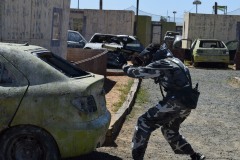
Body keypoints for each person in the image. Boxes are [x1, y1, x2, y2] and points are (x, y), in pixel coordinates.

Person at [122, 43, 205, 160]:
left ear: (154, 54)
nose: (148, 60)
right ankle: (194, 156)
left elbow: (138, 73)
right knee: (169, 130)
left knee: (144, 122)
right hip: (188, 103)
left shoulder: (163, 63)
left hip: (175, 102)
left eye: (148, 57)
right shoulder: (176, 61)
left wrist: (125, 67)